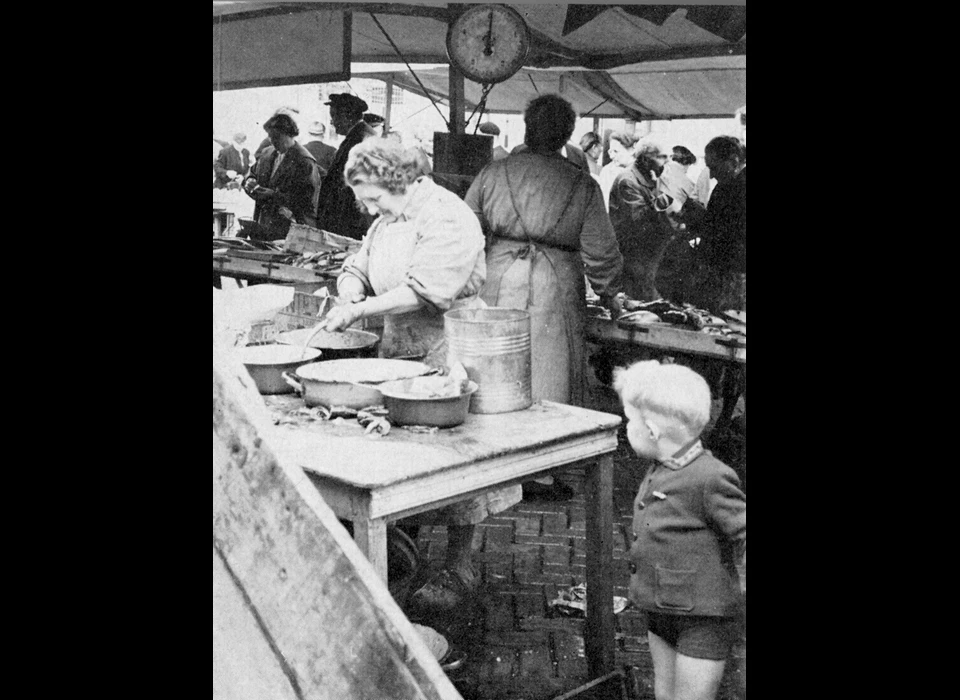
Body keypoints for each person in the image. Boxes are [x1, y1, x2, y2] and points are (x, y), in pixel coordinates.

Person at [320, 138, 518, 613]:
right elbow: (357, 266)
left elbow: (428, 291)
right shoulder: (388, 218)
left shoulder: (447, 216)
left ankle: (459, 563)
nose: (368, 208)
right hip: (398, 344)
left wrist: (361, 310)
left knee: (453, 457)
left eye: (373, 197)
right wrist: (350, 292)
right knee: (400, 452)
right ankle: (399, 550)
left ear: (400, 180)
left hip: (449, 344)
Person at [465, 95, 623, 499]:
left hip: (497, 275)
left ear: (526, 127)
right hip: (555, 283)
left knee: (495, 366)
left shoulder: (494, 172)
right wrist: (609, 294)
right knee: (548, 369)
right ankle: (539, 471)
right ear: (567, 135)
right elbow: (600, 250)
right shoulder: (582, 184)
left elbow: (465, 229)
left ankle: (486, 456)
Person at [613, 360, 745, 700]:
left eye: (630, 421)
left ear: (653, 431)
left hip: (703, 620)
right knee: (665, 693)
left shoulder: (711, 477)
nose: (627, 428)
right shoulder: (662, 466)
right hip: (661, 610)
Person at [608, 141, 676, 301]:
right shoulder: (628, 180)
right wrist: (665, 197)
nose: (668, 162)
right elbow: (638, 218)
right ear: (645, 159)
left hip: (648, 257)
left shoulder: (651, 177)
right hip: (634, 258)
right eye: (663, 157)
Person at [686, 136, 746, 314]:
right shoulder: (726, 185)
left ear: (733, 160)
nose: (711, 175)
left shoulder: (737, 186)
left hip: (733, 274)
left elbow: (729, 231)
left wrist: (701, 219)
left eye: (714, 167)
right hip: (725, 272)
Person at [241, 112, 321, 232]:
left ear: (290, 134)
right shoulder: (266, 153)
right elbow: (251, 172)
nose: (272, 141)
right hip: (263, 224)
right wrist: (249, 180)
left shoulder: (305, 161)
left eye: (276, 137)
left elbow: (308, 202)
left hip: (290, 229)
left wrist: (273, 195)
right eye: (270, 136)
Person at [315, 93, 378, 239]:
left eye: (335, 116)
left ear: (347, 116)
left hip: (350, 221)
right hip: (347, 218)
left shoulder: (360, 139)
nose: (332, 122)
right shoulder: (358, 135)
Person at [598, 130, 641, 210]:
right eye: (610, 151)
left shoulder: (642, 172)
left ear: (632, 150)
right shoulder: (607, 171)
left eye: (616, 151)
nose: (611, 156)